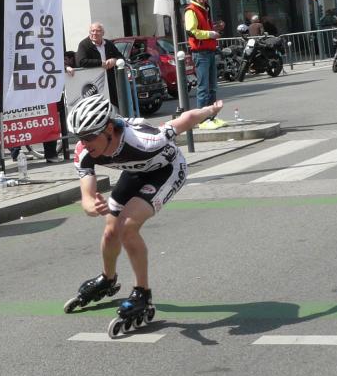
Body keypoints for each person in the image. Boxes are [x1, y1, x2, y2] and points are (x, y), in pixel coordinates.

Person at [64, 92, 224, 329]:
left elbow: (186, 119)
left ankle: (142, 293)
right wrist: (90, 206)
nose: (83, 143)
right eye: (79, 137)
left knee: (127, 227)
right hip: (136, 172)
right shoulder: (84, 151)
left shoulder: (144, 139)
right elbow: (87, 196)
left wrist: (210, 110)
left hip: (167, 171)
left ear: (109, 129)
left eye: (89, 136)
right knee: (110, 231)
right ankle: (108, 279)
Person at [183, 0, 224, 127]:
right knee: (203, 88)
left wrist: (215, 27)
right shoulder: (191, 10)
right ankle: (202, 120)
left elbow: (201, 28)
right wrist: (210, 33)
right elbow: (191, 31)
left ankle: (211, 117)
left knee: (212, 87)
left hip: (209, 51)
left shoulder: (205, 9)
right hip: (200, 53)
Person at [75, 22, 123, 106]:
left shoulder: (109, 44)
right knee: (98, 107)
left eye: (98, 31)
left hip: (111, 82)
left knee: (115, 106)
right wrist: (100, 63)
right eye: (92, 31)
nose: (94, 33)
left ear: (103, 33)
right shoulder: (84, 44)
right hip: (93, 84)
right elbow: (81, 62)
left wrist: (114, 60)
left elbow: (121, 57)